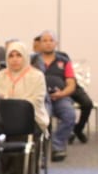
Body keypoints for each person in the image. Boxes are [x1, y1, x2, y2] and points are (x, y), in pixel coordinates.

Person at [31, 31, 77, 160]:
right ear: (39, 43)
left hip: (60, 97)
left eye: (51, 40)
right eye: (44, 40)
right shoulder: (32, 60)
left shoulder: (64, 61)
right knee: (42, 118)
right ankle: (40, 150)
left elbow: (71, 84)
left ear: (56, 43)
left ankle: (57, 146)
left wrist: (62, 93)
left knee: (70, 115)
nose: (48, 43)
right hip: (40, 98)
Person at [0, 41, 49, 129]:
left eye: (19, 55)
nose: (14, 59)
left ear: (25, 56)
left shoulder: (37, 76)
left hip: (32, 119)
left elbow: (36, 101)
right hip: (4, 119)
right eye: (11, 56)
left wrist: (9, 102)